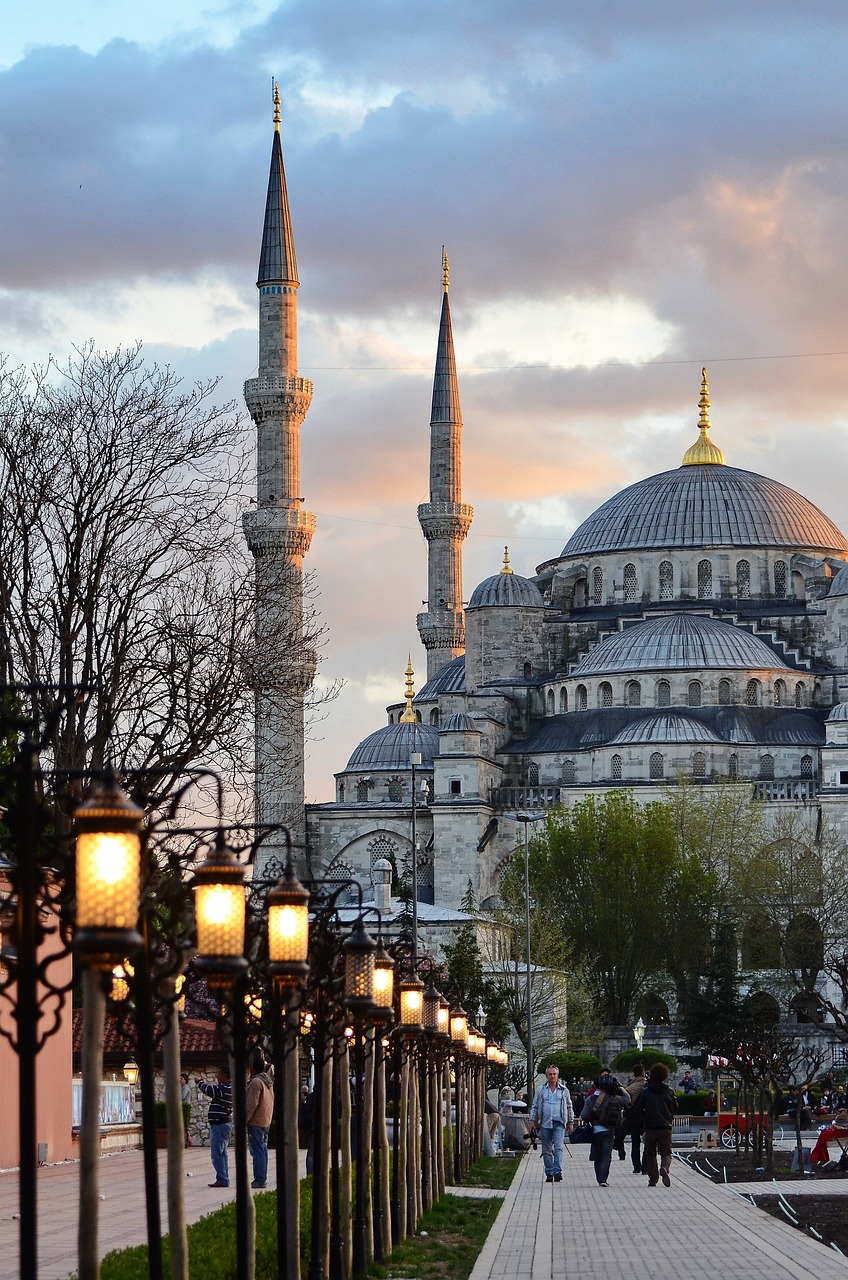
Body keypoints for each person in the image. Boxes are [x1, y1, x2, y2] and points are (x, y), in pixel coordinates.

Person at [528, 1064, 574, 1183]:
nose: (552, 1076)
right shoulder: (541, 1090)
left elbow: (569, 1106)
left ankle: (557, 1171)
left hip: (559, 1123)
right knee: (546, 1150)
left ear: (558, 1075)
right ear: (546, 1075)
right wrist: (532, 1121)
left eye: (554, 1074)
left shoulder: (564, 1090)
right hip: (545, 1123)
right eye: (550, 1074)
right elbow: (535, 1106)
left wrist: (570, 1122)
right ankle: (549, 1172)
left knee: (558, 1147)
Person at [583, 1076, 628, 1187]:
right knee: (606, 1154)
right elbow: (627, 1099)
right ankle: (603, 1179)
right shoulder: (614, 1098)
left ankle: (599, 1177)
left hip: (596, 1130)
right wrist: (621, 1087)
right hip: (610, 1129)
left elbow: (583, 1115)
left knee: (598, 1154)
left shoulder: (591, 1099)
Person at [638, 1063, 676, 1187]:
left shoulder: (645, 1092)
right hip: (665, 1126)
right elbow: (675, 1107)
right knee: (666, 1152)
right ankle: (664, 1168)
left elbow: (639, 1109)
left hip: (650, 1127)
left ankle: (652, 1179)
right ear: (665, 1076)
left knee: (650, 1153)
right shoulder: (669, 1091)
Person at [197, 1065, 233, 1188]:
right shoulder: (229, 1088)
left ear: (224, 1075)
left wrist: (199, 1081)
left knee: (217, 1153)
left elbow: (208, 1090)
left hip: (220, 1124)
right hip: (224, 1124)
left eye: (219, 1074)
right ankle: (223, 1177)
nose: (217, 1076)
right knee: (222, 1153)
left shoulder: (224, 1088)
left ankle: (222, 1179)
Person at [245, 1049, 275, 1189]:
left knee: (257, 1151)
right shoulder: (268, 1082)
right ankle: (261, 1177)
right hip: (265, 1120)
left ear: (253, 1068)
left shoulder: (256, 1082)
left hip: (256, 1122)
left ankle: (259, 1179)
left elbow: (251, 1104)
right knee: (262, 1151)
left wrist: (244, 1120)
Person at [625, 1064, 648, 1173]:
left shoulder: (630, 1087)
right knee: (648, 1142)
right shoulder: (647, 1085)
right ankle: (645, 1166)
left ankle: (636, 1167)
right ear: (643, 1072)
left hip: (633, 1117)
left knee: (635, 1143)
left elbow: (625, 1102)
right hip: (646, 1117)